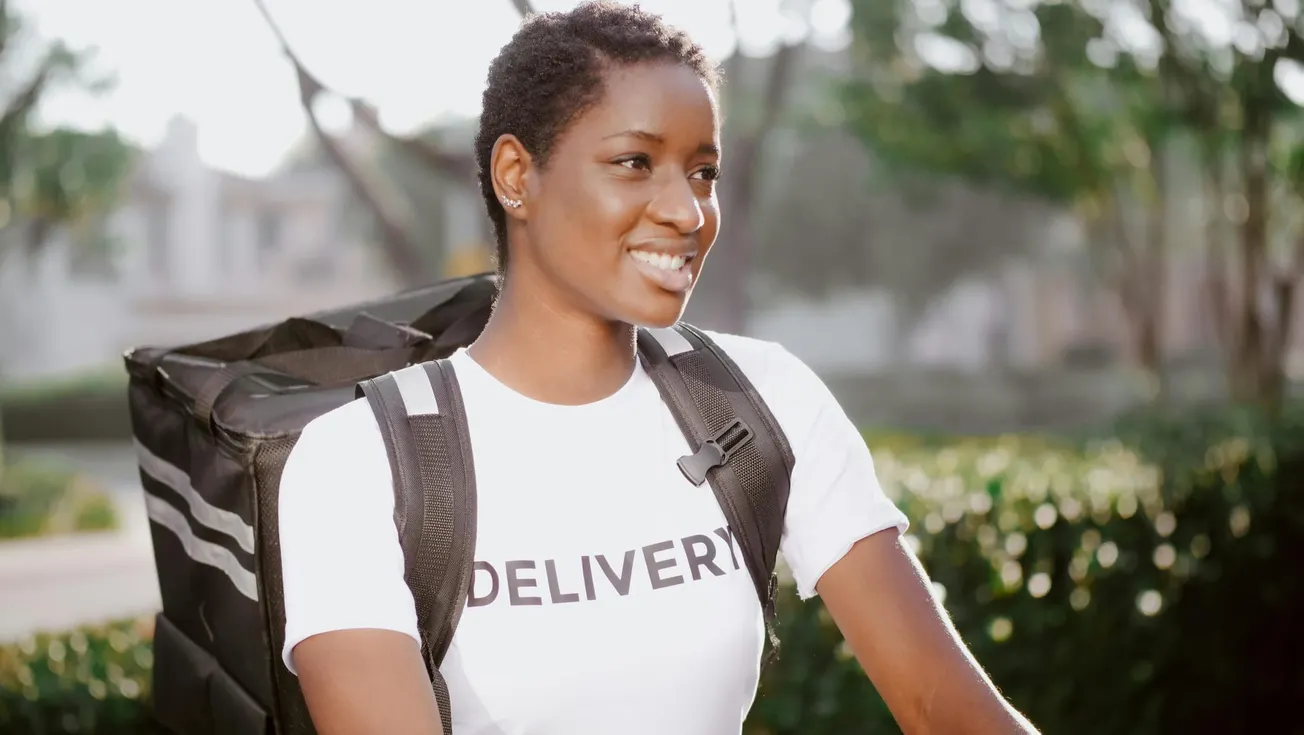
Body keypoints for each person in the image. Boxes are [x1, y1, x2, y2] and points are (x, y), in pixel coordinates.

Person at [276, 3, 1039, 734]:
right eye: (634, 162)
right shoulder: (358, 460)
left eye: (702, 172)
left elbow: (948, 713)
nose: (688, 211)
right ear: (516, 175)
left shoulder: (758, 401)